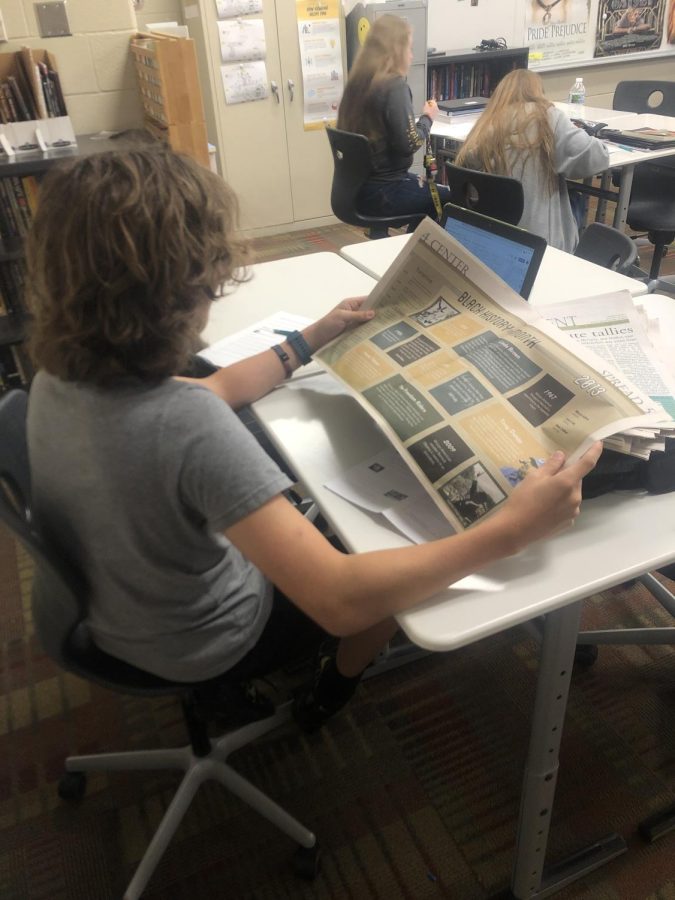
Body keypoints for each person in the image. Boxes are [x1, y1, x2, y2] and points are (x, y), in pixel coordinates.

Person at [25, 145, 601, 735]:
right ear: (179, 293)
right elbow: (339, 599)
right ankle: (335, 682)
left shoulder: (59, 379)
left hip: (122, 609)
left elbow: (218, 387)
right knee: (388, 540)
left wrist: (310, 339)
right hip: (210, 640)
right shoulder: (186, 427)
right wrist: (510, 531)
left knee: (318, 498)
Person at [455, 69, 609, 253]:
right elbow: (597, 157)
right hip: (539, 241)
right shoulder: (547, 117)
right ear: (538, 92)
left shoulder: (485, 125)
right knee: (576, 200)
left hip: (490, 238)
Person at [337, 14, 451, 228]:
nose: (411, 56)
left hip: (356, 190)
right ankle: (417, 255)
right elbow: (409, 144)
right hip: (385, 191)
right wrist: (427, 118)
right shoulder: (394, 86)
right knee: (448, 199)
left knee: (429, 195)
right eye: (409, 48)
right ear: (396, 51)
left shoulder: (357, 81)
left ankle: (409, 249)